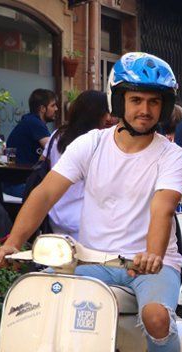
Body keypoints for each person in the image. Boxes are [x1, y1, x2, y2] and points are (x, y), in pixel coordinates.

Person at [0, 52, 182, 352]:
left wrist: (152, 253)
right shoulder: (90, 145)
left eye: (153, 102)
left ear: (163, 107)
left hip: (150, 264)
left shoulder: (172, 155)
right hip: (92, 260)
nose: (144, 110)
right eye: (135, 100)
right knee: (44, 300)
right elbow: (46, 193)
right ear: (119, 102)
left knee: (156, 317)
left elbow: (162, 209)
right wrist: (12, 241)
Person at [43, 90, 117, 240]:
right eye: (106, 112)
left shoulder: (57, 135)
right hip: (85, 219)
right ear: (96, 114)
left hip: (56, 215)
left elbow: (43, 161)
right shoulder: (95, 142)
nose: (108, 117)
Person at [6, 88, 58, 167]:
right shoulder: (34, 122)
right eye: (53, 105)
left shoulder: (30, 121)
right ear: (42, 109)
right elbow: (53, 149)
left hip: (19, 173)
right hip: (24, 175)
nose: (56, 109)